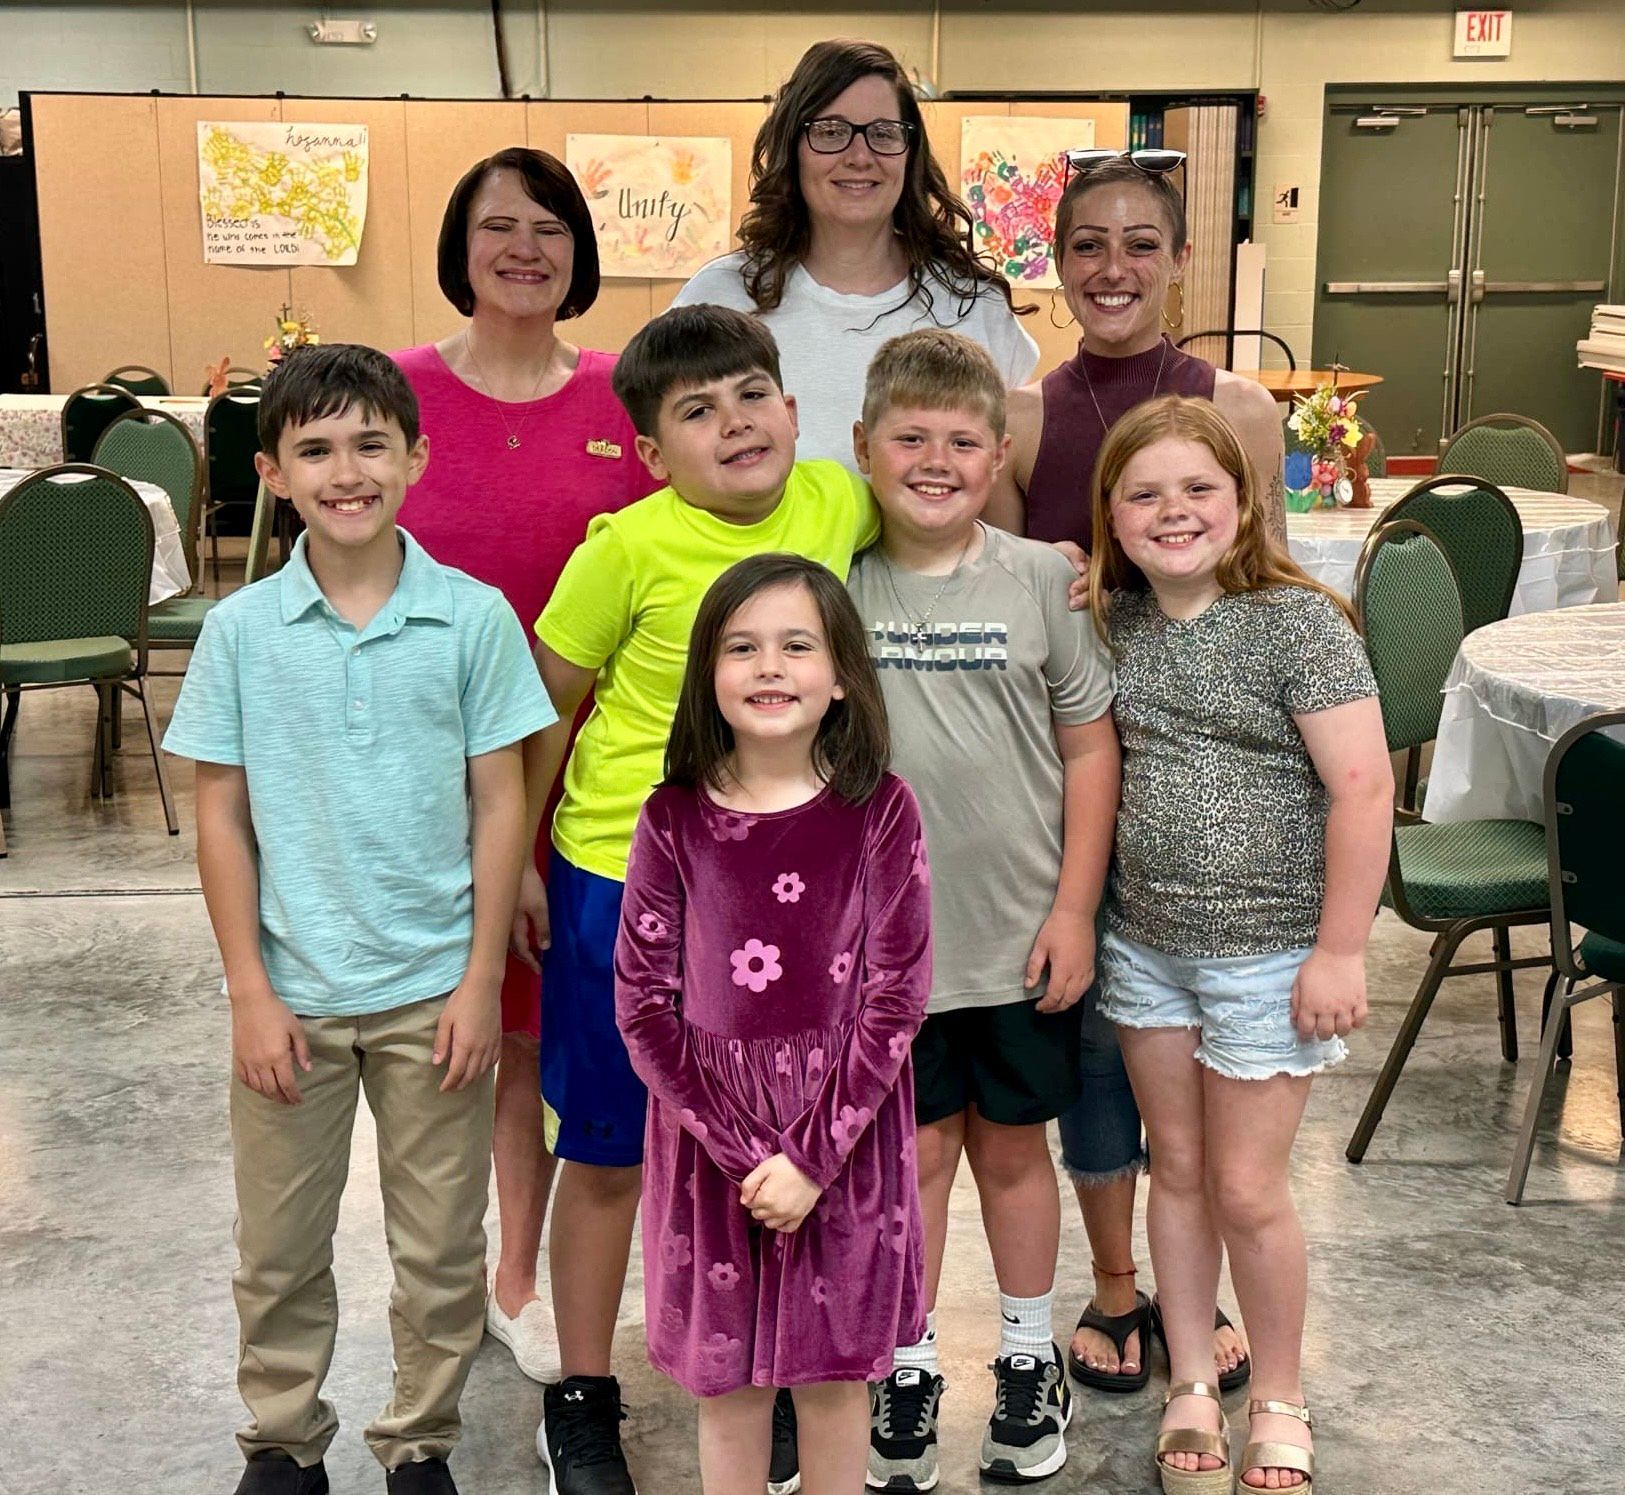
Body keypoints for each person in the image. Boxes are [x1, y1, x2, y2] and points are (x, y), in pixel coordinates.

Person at [163, 344, 556, 1495]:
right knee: (278, 1248)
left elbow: (500, 801)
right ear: (273, 473)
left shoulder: (471, 618)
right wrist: (248, 991)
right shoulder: (241, 632)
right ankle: (284, 1438)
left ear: (415, 457)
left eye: (371, 444)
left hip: (433, 994)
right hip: (289, 997)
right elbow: (221, 813)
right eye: (317, 449)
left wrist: (480, 980)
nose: (347, 472)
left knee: (439, 1247)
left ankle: (419, 1439)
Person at [519, 304, 881, 1495]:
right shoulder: (621, 550)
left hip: (784, 891)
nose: (734, 423)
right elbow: (544, 707)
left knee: (765, 1146)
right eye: (696, 410)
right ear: (648, 450)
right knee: (612, 1149)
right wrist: (520, 861)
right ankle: (581, 1390)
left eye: (750, 395)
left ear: (791, 406)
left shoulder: (836, 500)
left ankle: (764, 1369)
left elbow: (953, 488)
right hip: (622, 879)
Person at [988, 152, 1285, 1396]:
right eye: (1087, 245)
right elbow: (1006, 606)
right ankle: (1117, 1286)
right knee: (1102, 1050)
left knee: (1209, 1054)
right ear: (1057, 264)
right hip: (1073, 776)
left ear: (1178, 261)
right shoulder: (1020, 415)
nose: (1112, 268)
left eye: (1139, 244)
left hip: (1202, 786)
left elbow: (1262, 587)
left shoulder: (1239, 408)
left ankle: (1194, 1286)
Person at [1085, 395, 1391, 1493]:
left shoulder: (1296, 623)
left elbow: (1362, 787)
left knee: (1247, 1186)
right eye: (1143, 493)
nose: (1172, 511)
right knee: (1173, 1169)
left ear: (1244, 500)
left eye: (1196, 488)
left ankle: (1278, 1393)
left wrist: (1339, 949)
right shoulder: (1111, 622)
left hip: (1269, 952)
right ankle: (1187, 1380)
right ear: (1110, 515)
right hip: (1145, 946)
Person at [393, 147, 657, 1383]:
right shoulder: (399, 391)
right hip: (428, 762)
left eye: (549, 227)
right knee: (466, 1027)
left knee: (557, 1021)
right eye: (498, 225)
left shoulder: (623, 396)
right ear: (460, 245)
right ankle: (478, 1268)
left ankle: (552, 1264)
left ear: (579, 252)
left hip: (588, 770)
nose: (524, 248)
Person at [846, 330, 1119, 1489]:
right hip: (881, 955)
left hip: (1018, 938)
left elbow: (1090, 746)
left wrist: (1073, 910)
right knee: (910, 1161)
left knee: (1012, 1152)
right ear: (861, 447)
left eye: (962, 441)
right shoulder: (832, 582)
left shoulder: (1042, 581)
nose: (934, 460)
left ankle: (1022, 1354)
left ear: (998, 455)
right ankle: (905, 1362)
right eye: (908, 437)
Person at [616, 553, 931, 1495]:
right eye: (741, 646)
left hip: (843, 1143)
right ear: (707, 675)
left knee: (834, 1383)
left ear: (840, 677)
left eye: (797, 645)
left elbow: (895, 996)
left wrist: (809, 1159)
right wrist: (747, 1155)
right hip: (713, 1156)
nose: (768, 667)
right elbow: (642, 1005)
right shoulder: (671, 818)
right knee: (730, 1392)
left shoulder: (881, 810)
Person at [672, 37, 1037, 470]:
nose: (860, 156)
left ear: (910, 153)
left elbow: (1005, 478)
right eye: (831, 132)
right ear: (793, 147)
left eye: (883, 133)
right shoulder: (720, 298)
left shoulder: (974, 307)